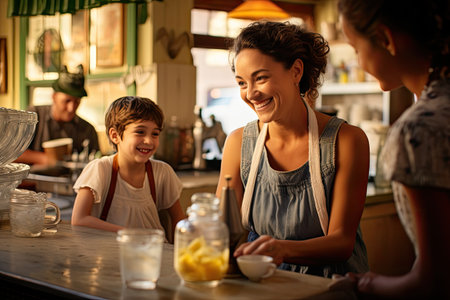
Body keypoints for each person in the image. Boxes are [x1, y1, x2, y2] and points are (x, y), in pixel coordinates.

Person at [216, 21, 370, 278]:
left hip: (330, 287)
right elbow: (221, 229)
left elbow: (342, 243)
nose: (251, 93)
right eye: (242, 83)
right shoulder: (238, 143)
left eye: (261, 78)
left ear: (296, 71)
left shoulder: (347, 141)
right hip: (262, 283)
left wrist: (282, 250)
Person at [338, 0, 450, 298]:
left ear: (386, 39)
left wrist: (365, 285)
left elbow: (435, 283)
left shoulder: (419, 131)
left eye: (356, 48)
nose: (358, 62)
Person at [71, 96, 185, 241]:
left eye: (155, 134)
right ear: (115, 135)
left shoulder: (162, 172)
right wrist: (132, 235)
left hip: (154, 255)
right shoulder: (101, 169)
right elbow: (79, 220)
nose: (149, 141)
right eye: (140, 132)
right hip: (107, 256)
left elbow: (178, 222)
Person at [15, 65, 100, 165]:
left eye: (77, 101)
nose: (71, 108)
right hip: (32, 179)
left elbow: (96, 162)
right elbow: (8, 153)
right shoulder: (32, 116)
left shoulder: (87, 130)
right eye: (67, 101)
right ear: (54, 97)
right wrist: (44, 159)